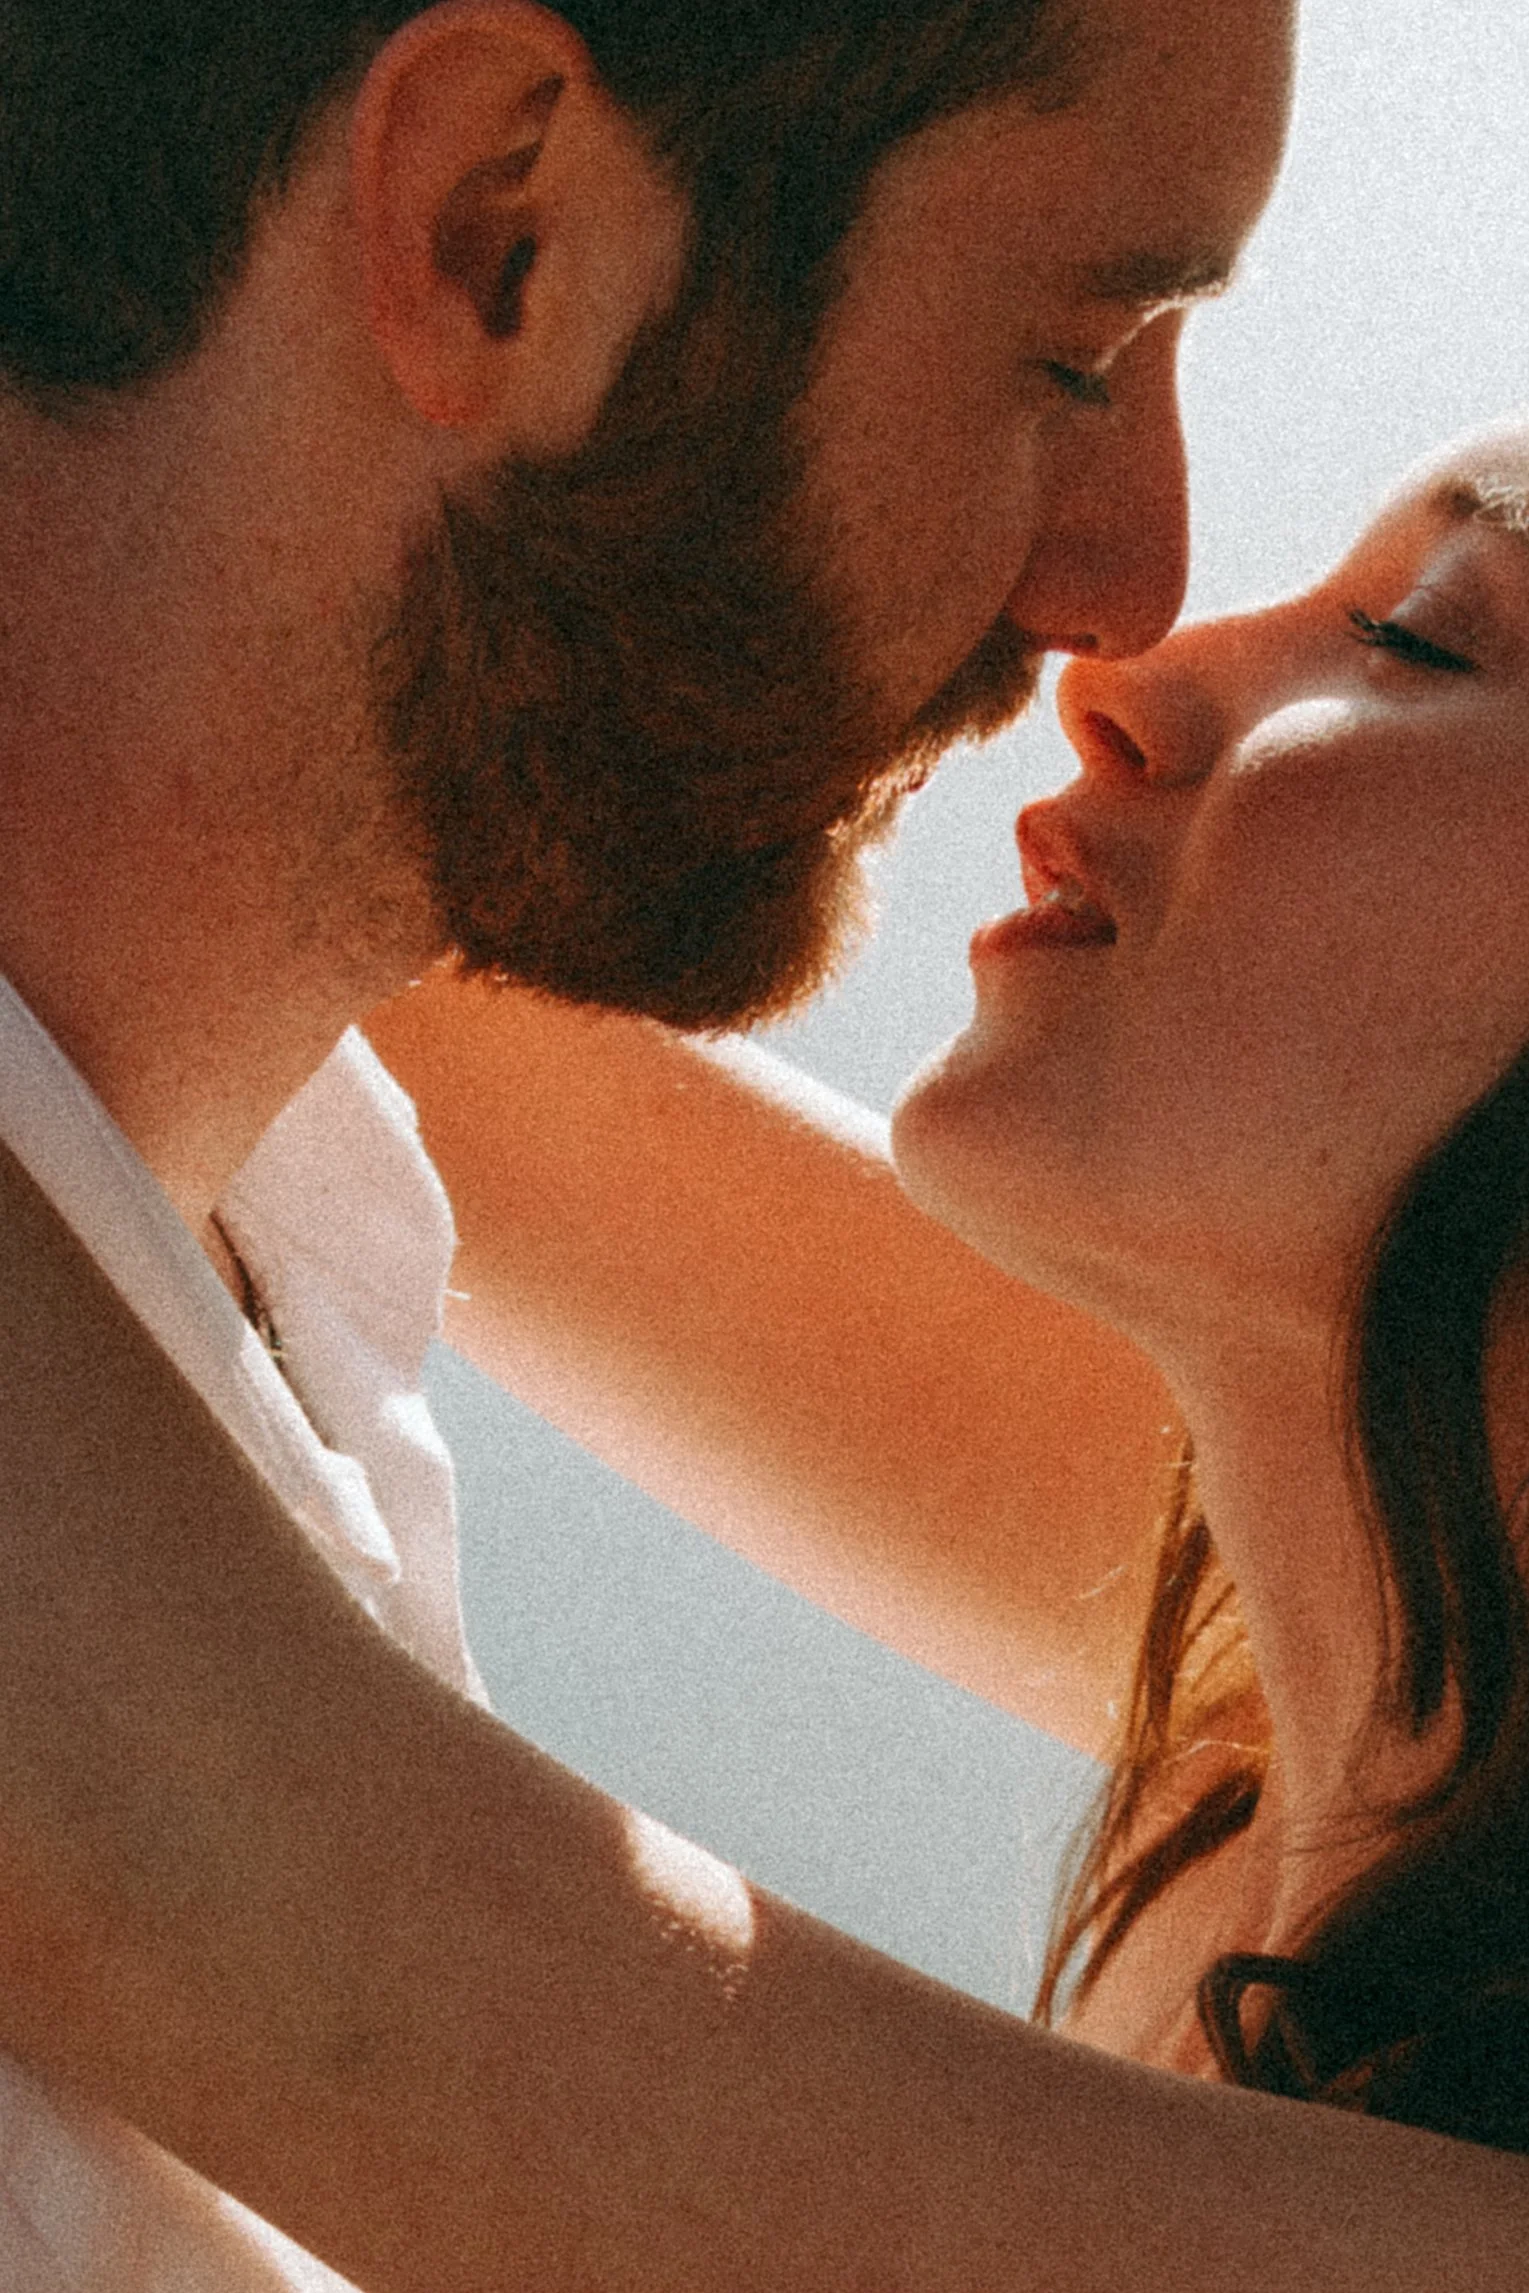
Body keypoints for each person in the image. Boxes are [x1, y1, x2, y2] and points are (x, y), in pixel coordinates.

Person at [15, 0, 1520, 2287]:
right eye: (1072, 352)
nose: (1130, 619)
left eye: (1415, 643)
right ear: (490, 227)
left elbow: (229, 1869)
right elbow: (289, 820)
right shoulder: (1365, 1705)